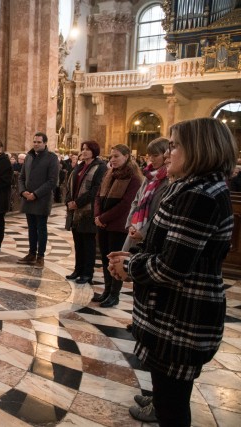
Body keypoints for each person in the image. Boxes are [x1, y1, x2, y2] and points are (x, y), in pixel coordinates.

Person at [108, 118, 237, 426]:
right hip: (176, 311)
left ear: (199, 149)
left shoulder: (199, 195)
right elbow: (169, 248)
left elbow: (172, 267)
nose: (168, 154)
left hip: (181, 315)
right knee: (168, 393)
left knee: (172, 407)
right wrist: (135, 254)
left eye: (175, 145)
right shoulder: (193, 187)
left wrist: (129, 266)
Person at [93, 144, 142, 307]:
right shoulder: (109, 174)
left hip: (118, 225)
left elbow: (126, 204)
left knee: (115, 260)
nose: (112, 159)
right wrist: (98, 216)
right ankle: (106, 291)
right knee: (106, 259)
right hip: (103, 224)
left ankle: (114, 295)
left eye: (116, 156)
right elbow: (98, 196)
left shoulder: (134, 178)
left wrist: (104, 217)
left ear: (127, 156)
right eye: (111, 156)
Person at [64, 141, 107, 285]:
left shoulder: (100, 167)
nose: (85, 151)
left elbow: (96, 189)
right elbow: (69, 185)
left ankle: (87, 273)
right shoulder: (80, 166)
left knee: (88, 243)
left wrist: (77, 203)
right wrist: (69, 200)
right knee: (77, 243)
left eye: (88, 149)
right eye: (83, 149)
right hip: (75, 212)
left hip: (88, 211)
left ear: (94, 151)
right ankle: (78, 269)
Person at [16, 132, 59, 268]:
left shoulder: (51, 158)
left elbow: (52, 181)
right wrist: (23, 191)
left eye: (39, 142)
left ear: (45, 143)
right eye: (34, 141)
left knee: (41, 228)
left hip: (42, 199)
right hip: (28, 197)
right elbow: (21, 177)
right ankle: (31, 253)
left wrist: (36, 194)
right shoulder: (28, 156)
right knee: (31, 228)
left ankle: (40, 256)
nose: (36, 144)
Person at [122, 137, 170, 251]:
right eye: (150, 155)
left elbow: (160, 211)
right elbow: (136, 201)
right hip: (135, 227)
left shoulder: (169, 180)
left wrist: (143, 232)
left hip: (151, 233)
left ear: (166, 155)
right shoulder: (149, 176)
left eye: (155, 155)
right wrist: (131, 224)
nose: (151, 159)